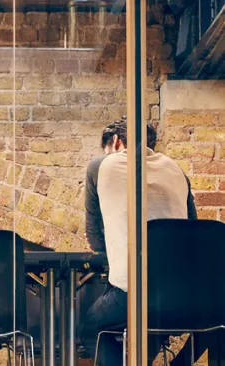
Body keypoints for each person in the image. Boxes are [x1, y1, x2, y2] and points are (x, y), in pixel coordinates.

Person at [82, 118, 197, 365]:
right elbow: (192, 230)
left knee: (91, 324)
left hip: (133, 293)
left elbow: (94, 237)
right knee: (152, 324)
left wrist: (114, 244)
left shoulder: (100, 165)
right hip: (182, 293)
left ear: (115, 142)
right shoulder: (177, 171)